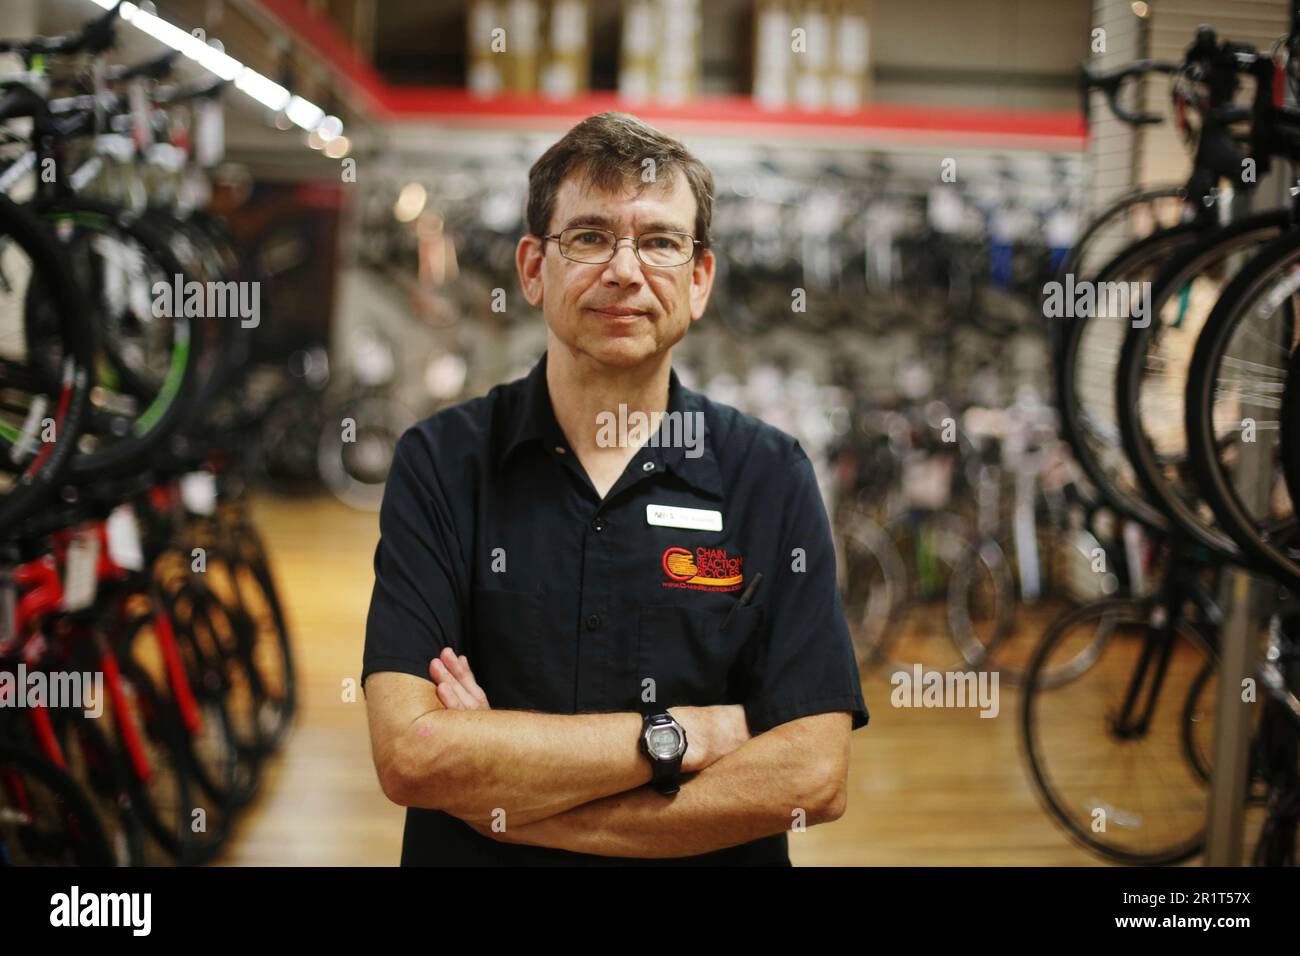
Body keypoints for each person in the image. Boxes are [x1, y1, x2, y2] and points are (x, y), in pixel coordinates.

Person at [362, 111, 868, 865]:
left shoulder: (769, 475)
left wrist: (518, 800)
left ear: (699, 281)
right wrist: (691, 734)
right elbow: (416, 752)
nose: (625, 271)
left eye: (661, 242)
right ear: (534, 269)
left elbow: (813, 775)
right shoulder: (442, 461)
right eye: (591, 237)